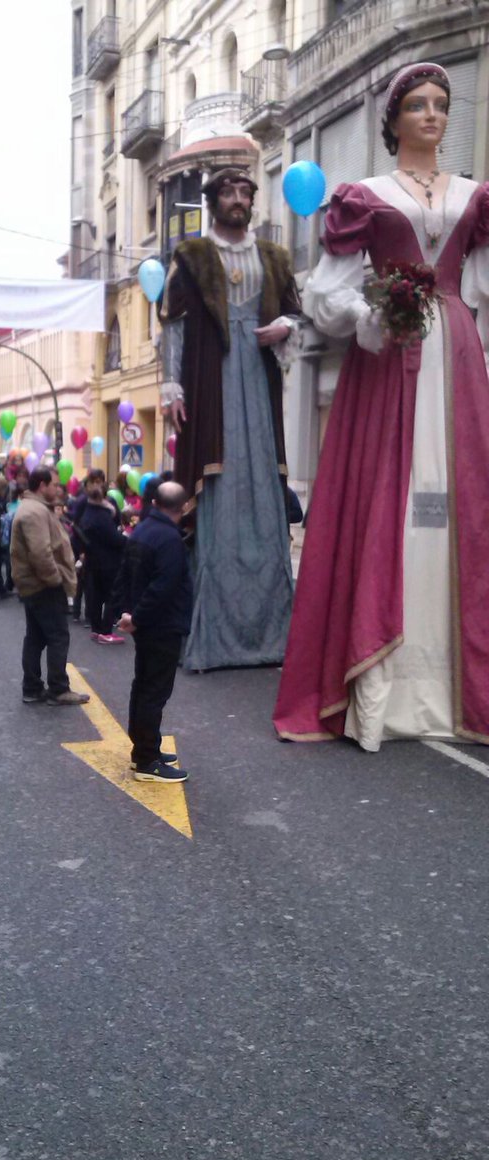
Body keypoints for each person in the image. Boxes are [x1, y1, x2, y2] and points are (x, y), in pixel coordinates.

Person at [274, 62, 489, 751]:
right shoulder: (365, 196)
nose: (433, 115)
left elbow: (480, 286)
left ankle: (457, 690)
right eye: (419, 105)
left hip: (455, 352)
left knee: (465, 510)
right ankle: (381, 687)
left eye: (442, 105)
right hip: (388, 358)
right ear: (393, 119)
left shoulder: (475, 197)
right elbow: (328, 292)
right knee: (384, 506)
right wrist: (373, 321)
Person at [160, 162, 302, 672]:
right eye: (229, 191)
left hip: (258, 387)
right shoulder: (193, 256)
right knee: (215, 490)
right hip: (211, 381)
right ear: (213, 199)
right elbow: (172, 329)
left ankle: (272, 633)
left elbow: (296, 313)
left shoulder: (273, 257)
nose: (239, 198)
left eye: (246, 190)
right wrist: (172, 386)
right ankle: (215, 635)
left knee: (264, 491)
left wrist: (283, 326)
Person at [115, 482, 192, 783]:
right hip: (161, 625)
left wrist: (125, 613)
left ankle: (144, 750)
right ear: (183, 508)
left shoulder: (143, 530)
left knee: (144, 686)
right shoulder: (170, 540)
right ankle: (148, 760)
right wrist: (138, 617)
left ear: (155, 502)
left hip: (145, 624)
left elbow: (125, 574)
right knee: (154, 692)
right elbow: (163, 588)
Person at [10, 466, 89, 706]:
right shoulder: (35, 512)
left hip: (34, 584)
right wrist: (56, 580)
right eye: (54, 484)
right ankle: (58, 689)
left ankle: (32, 688)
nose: (59, 489)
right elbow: (40, 553)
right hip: (43, 585)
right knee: (57, 636)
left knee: (35, 637)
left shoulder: (33, 508)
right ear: (42, 486)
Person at [78, 480, 126, 644]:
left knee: (96, 596)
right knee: (112, 595)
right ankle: (106, 630)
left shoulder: (88, 513)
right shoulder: (102, 516)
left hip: (93, 559)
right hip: (108, 561)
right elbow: (114, 539)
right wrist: (126, 539)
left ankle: (96, 628)